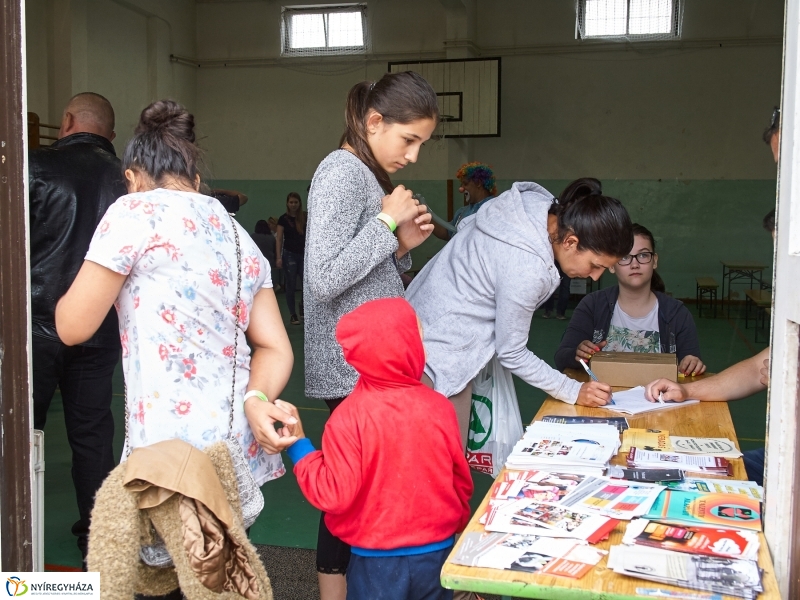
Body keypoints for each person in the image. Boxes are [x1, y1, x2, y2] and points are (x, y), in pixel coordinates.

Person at [54, 100, 297, 597]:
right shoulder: (237, 234)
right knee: (221, 579)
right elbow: (276, 347)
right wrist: (256, 399)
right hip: (233, 452)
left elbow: (72, 327)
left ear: (132, 176)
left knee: (166, 584)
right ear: (196, 178)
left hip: (170, 457)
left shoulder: (133, 212)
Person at [304, 71, 437, 600]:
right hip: (350, 365)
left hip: (370, 366)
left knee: (361, 492)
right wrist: (385, 225)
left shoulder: (362, 174)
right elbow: (323, 278)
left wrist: (400, 246)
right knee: (348, 496)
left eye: (421, 144)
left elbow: (362, 274)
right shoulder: (341, 171)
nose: (413, 156)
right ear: (374, 122)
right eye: (409, 140)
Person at [407, 177, 634, 448]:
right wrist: (573, 390)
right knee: (438, 461)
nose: (595, 277)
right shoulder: (527, 267)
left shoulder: (531, 210)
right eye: (595, 265)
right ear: (571, 242)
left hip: (414, 330)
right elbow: (512, 352)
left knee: (440, 459)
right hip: (433, 358)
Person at [282, 298, 473, 600]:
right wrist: (455, 524)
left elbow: (333, 494)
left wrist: (299, 447)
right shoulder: (440, 407)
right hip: (437, 553)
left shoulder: (347, 417)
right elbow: (460, 479)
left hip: (375, 562)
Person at [645, 106, 781, 486]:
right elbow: (757, 368)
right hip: (782, 455)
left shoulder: (673, 310)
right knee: (691, 474)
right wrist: (686, 390)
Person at [28, 91, 126, 565]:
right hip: (100, 327)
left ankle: (15, 535)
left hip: (36, 326)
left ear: (66, 121)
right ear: (111, 134)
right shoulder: (128, 178)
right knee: (92, 435)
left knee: (21, 431)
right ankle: (98, 538)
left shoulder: (34, 167)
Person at [554, 223, 705, 376]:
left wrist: (692, 364)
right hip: (601, 391)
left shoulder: (677, 314)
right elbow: (561, 358)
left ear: (654, 261)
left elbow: (690, 365)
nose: (635, 264)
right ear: (611, 265)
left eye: (643, 255)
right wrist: (577, 353)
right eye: (625, 257)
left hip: (658, 392)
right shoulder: (592, 305)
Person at [432, 162, 497, 240]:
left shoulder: (495, 208)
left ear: (478, 183)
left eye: (465, 184)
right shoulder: (462, 212)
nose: (461, 189)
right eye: (461, 185)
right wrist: (426, 217)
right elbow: (448, 232)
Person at [276, 192, 306, 325]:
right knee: (291, 284)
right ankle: (293, 314)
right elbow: (279, 239)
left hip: (304, 254)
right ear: (287, 204)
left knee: (306, 284)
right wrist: (278, 257)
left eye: (296, 202)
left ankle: (303, 307)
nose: (293, 205)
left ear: (299, 203)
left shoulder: (305, 217)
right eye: (291, 202)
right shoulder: (283, 219)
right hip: (289, 255)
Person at [253, 218, 277, 287]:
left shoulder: (253, 237)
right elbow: (274, 251)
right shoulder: (271, 238)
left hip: (257, 261)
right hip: (270, 261)